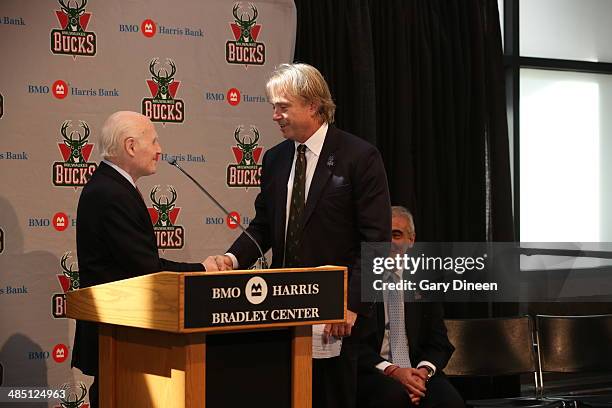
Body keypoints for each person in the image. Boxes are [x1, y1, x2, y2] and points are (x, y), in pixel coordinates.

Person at [204, 63, 391, 408]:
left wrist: (352, 304)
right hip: (281, 309)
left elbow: (375, 241)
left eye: (283, 106)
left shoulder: (359, 157)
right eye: (273, 107)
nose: (275, 115)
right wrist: (231, 259)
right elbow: (263, 227)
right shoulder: (274, 159)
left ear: (313, 106)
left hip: (337, 317)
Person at [71, 111, 205, 407]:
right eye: (154, 141)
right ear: (131, 146)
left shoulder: (112, 187)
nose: (160, 150)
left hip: (125, 337)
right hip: (118, 335)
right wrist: (203, 269)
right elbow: (146, 269)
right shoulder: (110, 193)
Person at [357, 206, 464, 408]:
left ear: (411, 240)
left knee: (450, 402)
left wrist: (422, 374)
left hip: (418, 371)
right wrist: (394, 371)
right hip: (376, 371)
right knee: (395, 398)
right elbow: (355, 345)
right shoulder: (360, 282)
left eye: (396, 235)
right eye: (383, 235)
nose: (388, 242)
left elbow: (438, 341)